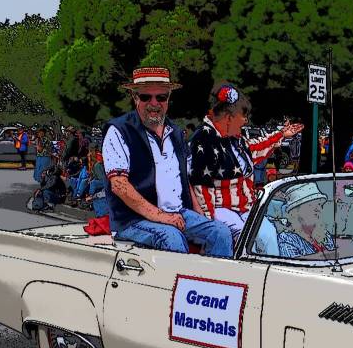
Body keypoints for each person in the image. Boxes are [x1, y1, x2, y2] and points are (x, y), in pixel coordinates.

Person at [103, 66, 232, 257]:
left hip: (178, 212)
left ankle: (214, 284)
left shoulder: (176, 133)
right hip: (134, 219)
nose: (154, 103)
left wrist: (199, 214)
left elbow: (184, 180)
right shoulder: (119, 130)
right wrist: (161, 216)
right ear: (135, 97)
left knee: (221, 233)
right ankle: (180, 285)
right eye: (146, 97)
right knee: (171, 238)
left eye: (161, 97)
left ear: (168, 98)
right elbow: (119, 185)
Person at [189, 82, 304, 245]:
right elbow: (201, 188)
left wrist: (281, 135)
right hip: (222, 211)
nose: (246, 122)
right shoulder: (204, 140)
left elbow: (256, 148)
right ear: (229, 117)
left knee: (273, 230)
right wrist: (208, 228)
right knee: (253, 239)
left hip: (244, 208)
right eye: (244, 117)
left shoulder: (235, 140)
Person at [277, 182, 335, 258]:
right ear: (295, 212)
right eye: (311, 205)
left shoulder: (325, 234)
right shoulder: (287, 239)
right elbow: (295, 267)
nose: (318, 209)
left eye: (319, 204)